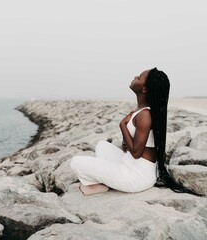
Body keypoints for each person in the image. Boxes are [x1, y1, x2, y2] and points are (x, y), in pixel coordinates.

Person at [70, 67, 188, 195]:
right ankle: (105, 181)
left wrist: (123, 126)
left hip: (137, 176)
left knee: (75, 162)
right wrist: (126, 141)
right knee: (102, 146)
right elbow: (132, 147)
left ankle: (101, 184)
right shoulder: (141, 110)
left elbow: (136, 153)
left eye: (139, 78)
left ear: (144, 89)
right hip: (130, 163)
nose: (135, 77)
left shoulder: (145, 115)